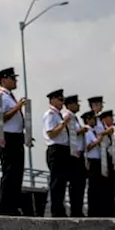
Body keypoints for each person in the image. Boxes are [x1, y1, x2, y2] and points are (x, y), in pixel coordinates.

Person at [0, 68, 28, 216]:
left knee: (17, 173)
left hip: (17, 137)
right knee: (9, 173)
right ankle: (5, 206)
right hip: (7, 137)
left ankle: (13, 205)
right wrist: (17, 108)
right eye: (12, 78)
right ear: (3, 80)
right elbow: (1, 118)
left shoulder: (10, 97)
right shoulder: (1, 97)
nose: (15, 81)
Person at [43, 89, 72, 217]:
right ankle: (56, 210)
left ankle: (60, 208)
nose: (62, 103)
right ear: (53, 100)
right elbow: (52, 133)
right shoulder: (50, 114)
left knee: (62, 181)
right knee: (56, 181)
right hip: (55, 149)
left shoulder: (58, 115)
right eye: (60, 100)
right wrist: (64, 123)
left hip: (64, 149)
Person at [63, 94, 89, 217]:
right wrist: (81, 131)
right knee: (75, 183)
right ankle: (75, 210)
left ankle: (78, 209)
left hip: (80, 153)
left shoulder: (75, 117)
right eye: (76, 103)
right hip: (73, 153)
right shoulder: (67, 116)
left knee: (80, 184)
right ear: (70, 104)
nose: (78, 105)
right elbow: (69, 133)